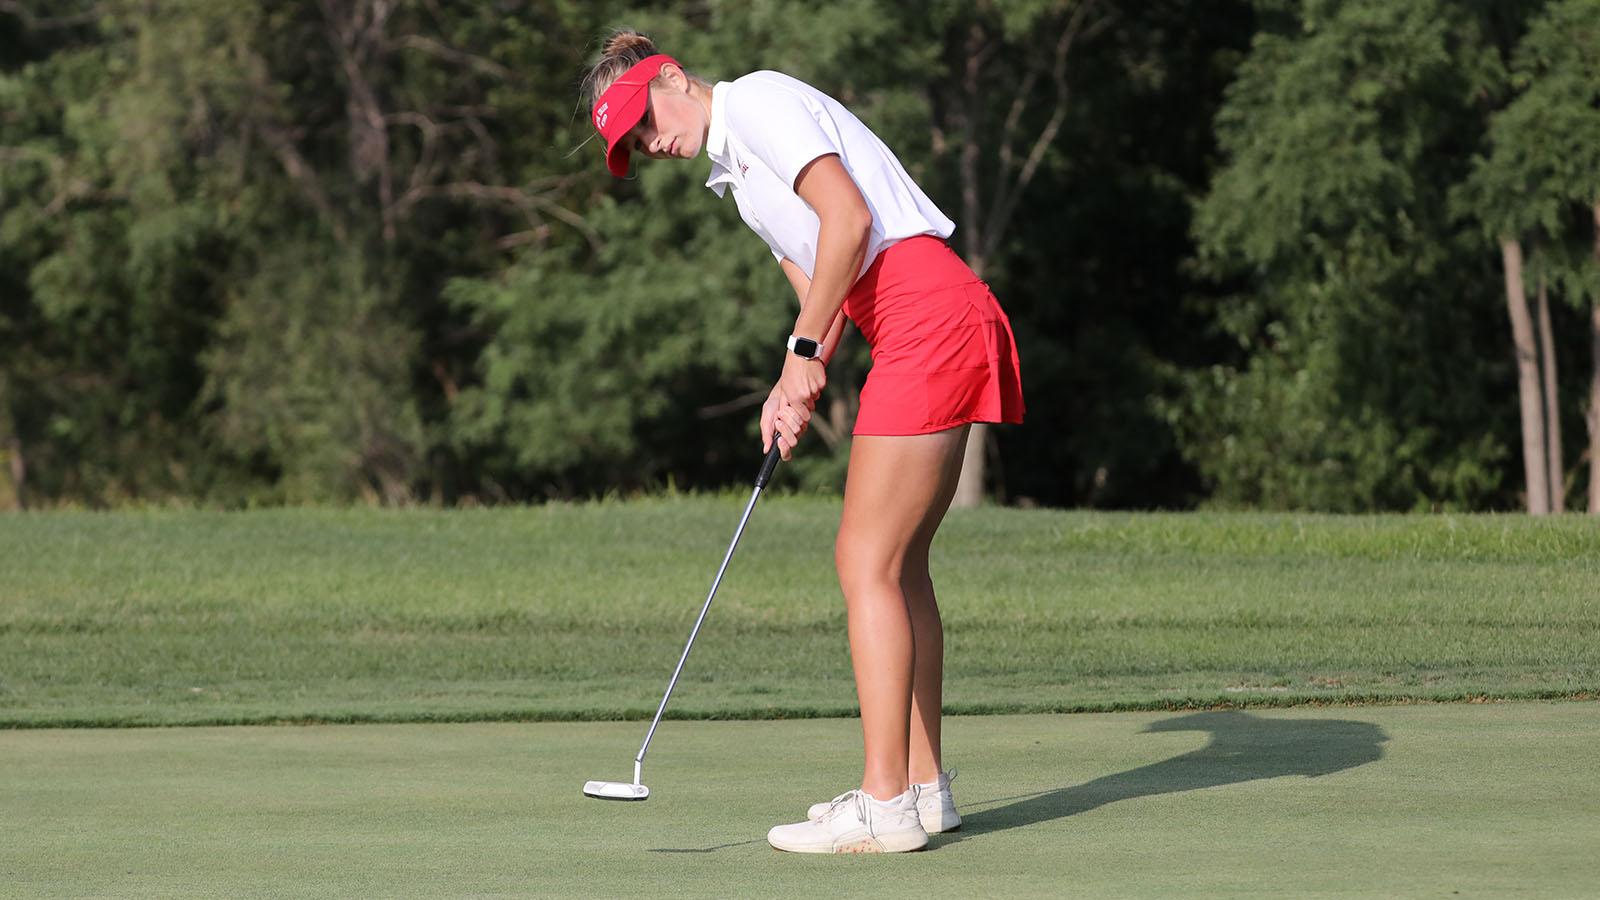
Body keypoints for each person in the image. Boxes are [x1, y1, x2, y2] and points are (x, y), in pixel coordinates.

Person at [582, 29, 1024, 854]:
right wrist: (793, 381)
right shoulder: (739, 181)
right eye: (635, 146)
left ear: (671, 77)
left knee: (864, 562)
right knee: (899, 567)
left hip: (926, 313)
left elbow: (850, 220)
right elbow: (823, 293)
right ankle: (925, 792)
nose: (651, 145)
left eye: (645, 121)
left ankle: (882, 801)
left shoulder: (755, 101)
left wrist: (803, 358)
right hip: (916, 324)